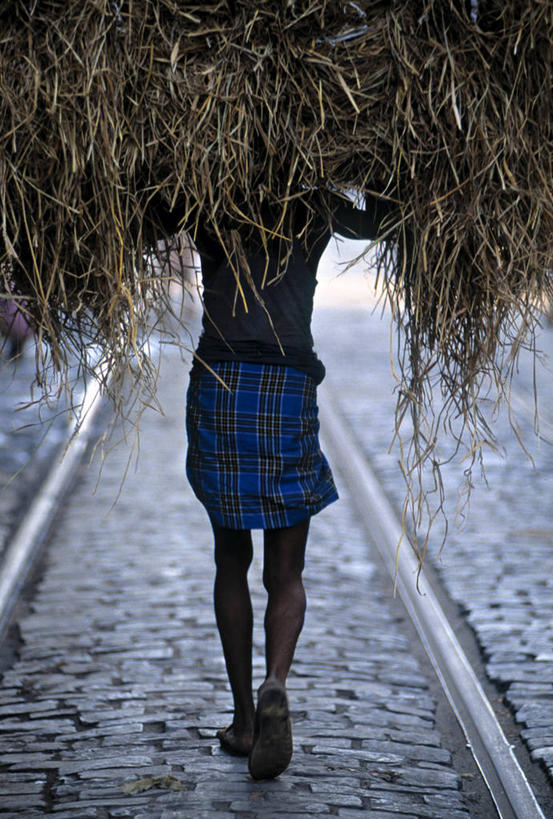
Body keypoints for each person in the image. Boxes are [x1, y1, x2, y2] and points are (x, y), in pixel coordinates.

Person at [183, 190, 393, 779]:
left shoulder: (212, 189)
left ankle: (247, 721)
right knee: (287, 574)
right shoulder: (313, 203)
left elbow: (148, 208)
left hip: (222, 383)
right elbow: (386, 217)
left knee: (231, 561)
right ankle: (276, 680)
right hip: (286, 385)